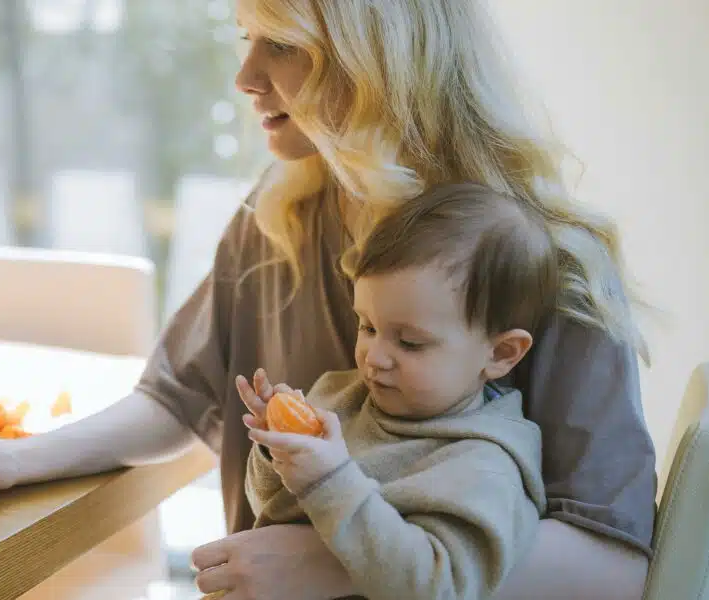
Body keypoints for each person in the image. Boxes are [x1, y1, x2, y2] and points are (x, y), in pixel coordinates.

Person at [0, 0, 658, 598]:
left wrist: (343, 562)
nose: (244, 77)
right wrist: (23, 456)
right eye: (245, 40)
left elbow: (612, 560)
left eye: (282, 45)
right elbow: (180, 396)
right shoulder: (279, 212)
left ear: (379, 58)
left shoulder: (547, 261)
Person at [238, 183, 557, 600]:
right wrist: (277, 451)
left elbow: (436, 588)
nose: (375, 358)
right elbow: (269, 508)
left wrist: (330, 481)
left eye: (409, 342)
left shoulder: (483, 466)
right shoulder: (339, 396)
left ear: (500, 353)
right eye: (367, 327)